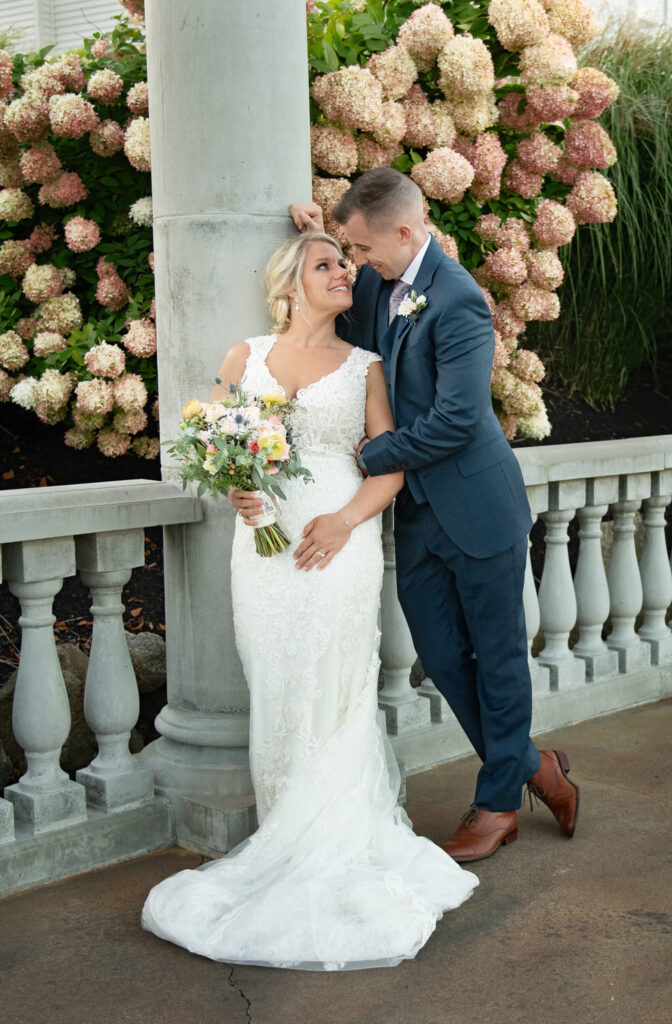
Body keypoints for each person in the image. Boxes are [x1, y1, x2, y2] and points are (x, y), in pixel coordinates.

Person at [142, 231, 479, 970]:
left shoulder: (364, 367)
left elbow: (386, 470)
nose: (342, 272)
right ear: (290, 282)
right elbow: (211, 441)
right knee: (279, 679)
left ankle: (334, 837)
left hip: (338, 540)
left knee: (334, 685)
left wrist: (343, 521)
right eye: (326, 263)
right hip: (263, 545)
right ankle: (285, 827)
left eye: (346, 263)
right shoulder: (245, 356)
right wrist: (234, 485)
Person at [280, 168, 580, 863]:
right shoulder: (384, 284)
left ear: (406, 233)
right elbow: (349, 323)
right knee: (443, 660)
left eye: (359, 249)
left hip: (477, 508)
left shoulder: (458, 300)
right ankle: (533, 766)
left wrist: (379, 450)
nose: (356, 263)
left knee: (498, 661)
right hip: (415, 514)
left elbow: (458, 418)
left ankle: (498, 802)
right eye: (348, 254)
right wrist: (318, 237)